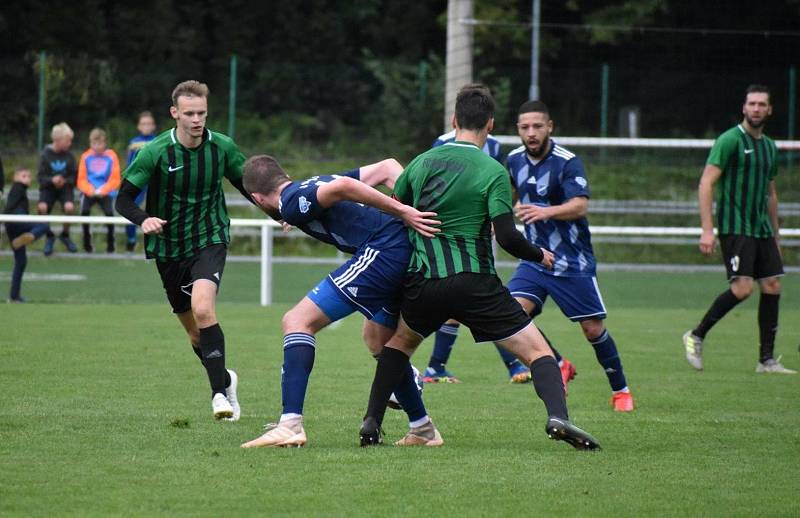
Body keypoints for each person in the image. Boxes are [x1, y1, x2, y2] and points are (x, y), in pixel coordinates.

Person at [359, 84, 600, 450]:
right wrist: (538, 254)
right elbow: (506, 236)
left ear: (454, 120)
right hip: (475, 283)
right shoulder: (493, 170)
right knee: (539, 353)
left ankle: (372, 422)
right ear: (490, 124)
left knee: (399, 346)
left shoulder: (420, 163)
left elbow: (397, 215)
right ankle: (558, 417)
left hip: (425, 283)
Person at [239, 155, 444, 448]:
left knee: (297, 321)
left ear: (258, 199)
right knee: (377, 339)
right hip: (404, 252)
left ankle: (290, 424)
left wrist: (404, 211)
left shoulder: (292, 201)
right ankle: (422, 428)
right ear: (283, 174)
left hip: (384, 250)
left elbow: (344, 186)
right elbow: (387, 167)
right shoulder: (309, 187)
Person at [115, 80, 253, 420]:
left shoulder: (221, 147)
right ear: (175, 113)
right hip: (169, 247)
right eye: (189, 113)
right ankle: (225, 379)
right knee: (194, 332)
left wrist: (280, 213)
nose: (196, 120)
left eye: (202, 113)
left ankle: (218, 395)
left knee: (204, 310)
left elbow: (249, 185)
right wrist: (144, 219)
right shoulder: (156, 152)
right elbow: (122, 199)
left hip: (210, 236)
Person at [506, 100, 634, 411]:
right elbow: (510, 194)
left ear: (550, 127)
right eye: (525, 127)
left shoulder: (567, 162)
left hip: (572, 261)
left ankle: (621, 391)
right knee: (507, 314)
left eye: (538, 126)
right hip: (535, 259)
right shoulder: (512, 160)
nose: (532, 133)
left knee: (592, 329)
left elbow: (580, 205)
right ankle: (559, 362)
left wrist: (545, 211)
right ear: (518, 130)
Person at [683, 84, 795, 374]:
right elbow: (706, 182)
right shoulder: (730, 140)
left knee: (772, 285)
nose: (756, 109)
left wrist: (776, 233)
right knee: (743, 289)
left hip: (761, 229)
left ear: (769, 109)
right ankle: (696, 334)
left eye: (761, 104)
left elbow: (771, 193)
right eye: (752, 104)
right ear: (744, 108)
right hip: (736, 227)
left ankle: (766, 360)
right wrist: (708, 230)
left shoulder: (770, 146)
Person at [4, 167, 50, 302]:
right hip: (16, 220)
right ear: (15, 178)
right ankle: (31, 236)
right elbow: (10, 206)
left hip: (12, 226)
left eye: (29, 176)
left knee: (21, 261)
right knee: (43, 225)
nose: (27, 179)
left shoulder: (19, 191)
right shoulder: (18, 188)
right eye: (23, 176)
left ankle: (14, 296)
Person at [77, 128, 121, 253]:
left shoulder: (111, 156)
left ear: (105, 143)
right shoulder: (85, 156)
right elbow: (81, 179)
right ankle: (87, 243)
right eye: (94, 143)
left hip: (106, 191)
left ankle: (111, 244)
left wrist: (104, 190)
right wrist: (91, 190)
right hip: (89, 191)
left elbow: (115, 178)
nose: (97, 146)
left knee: (109, 214)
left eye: (100, 143)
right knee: (84, 211)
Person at [38, 122, 78, 255]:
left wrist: (64, 180)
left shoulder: (70, 156)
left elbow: (74, 177)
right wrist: (52, 180)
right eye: (68, 140)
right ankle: (49, 236)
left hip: (65, 189)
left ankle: (65, 235)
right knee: (42, 207)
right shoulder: (45, 155)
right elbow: (40, 177)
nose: (70, 143)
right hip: (48, 188)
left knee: (69, 207)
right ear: (57, 140)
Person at [124, 112, 157, 252]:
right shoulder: (133, 143)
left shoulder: (158, 141)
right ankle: (131, 241)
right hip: (138, 183)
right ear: (138, 126)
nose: (146, 126)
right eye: (143, 123)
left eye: (149, 123)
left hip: (154, 183)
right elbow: (130, 164)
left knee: (155, 213)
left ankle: (154, 244)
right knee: (131, 210)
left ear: (153, 126)